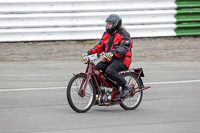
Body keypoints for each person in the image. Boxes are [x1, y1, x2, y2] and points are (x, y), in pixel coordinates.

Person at [82, 14, 133, 99]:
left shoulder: (124, 34)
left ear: (116, 24)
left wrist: (113, 52)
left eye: (110, 24)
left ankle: (126, 86)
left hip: (122, 59)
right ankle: (99, 92)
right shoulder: (106, 34)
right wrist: (89, 53)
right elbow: (100, 46)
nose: (107, 25)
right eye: (107, 24)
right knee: (94, 71)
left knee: (110, 71)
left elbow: (124, 47)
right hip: (109, 59)